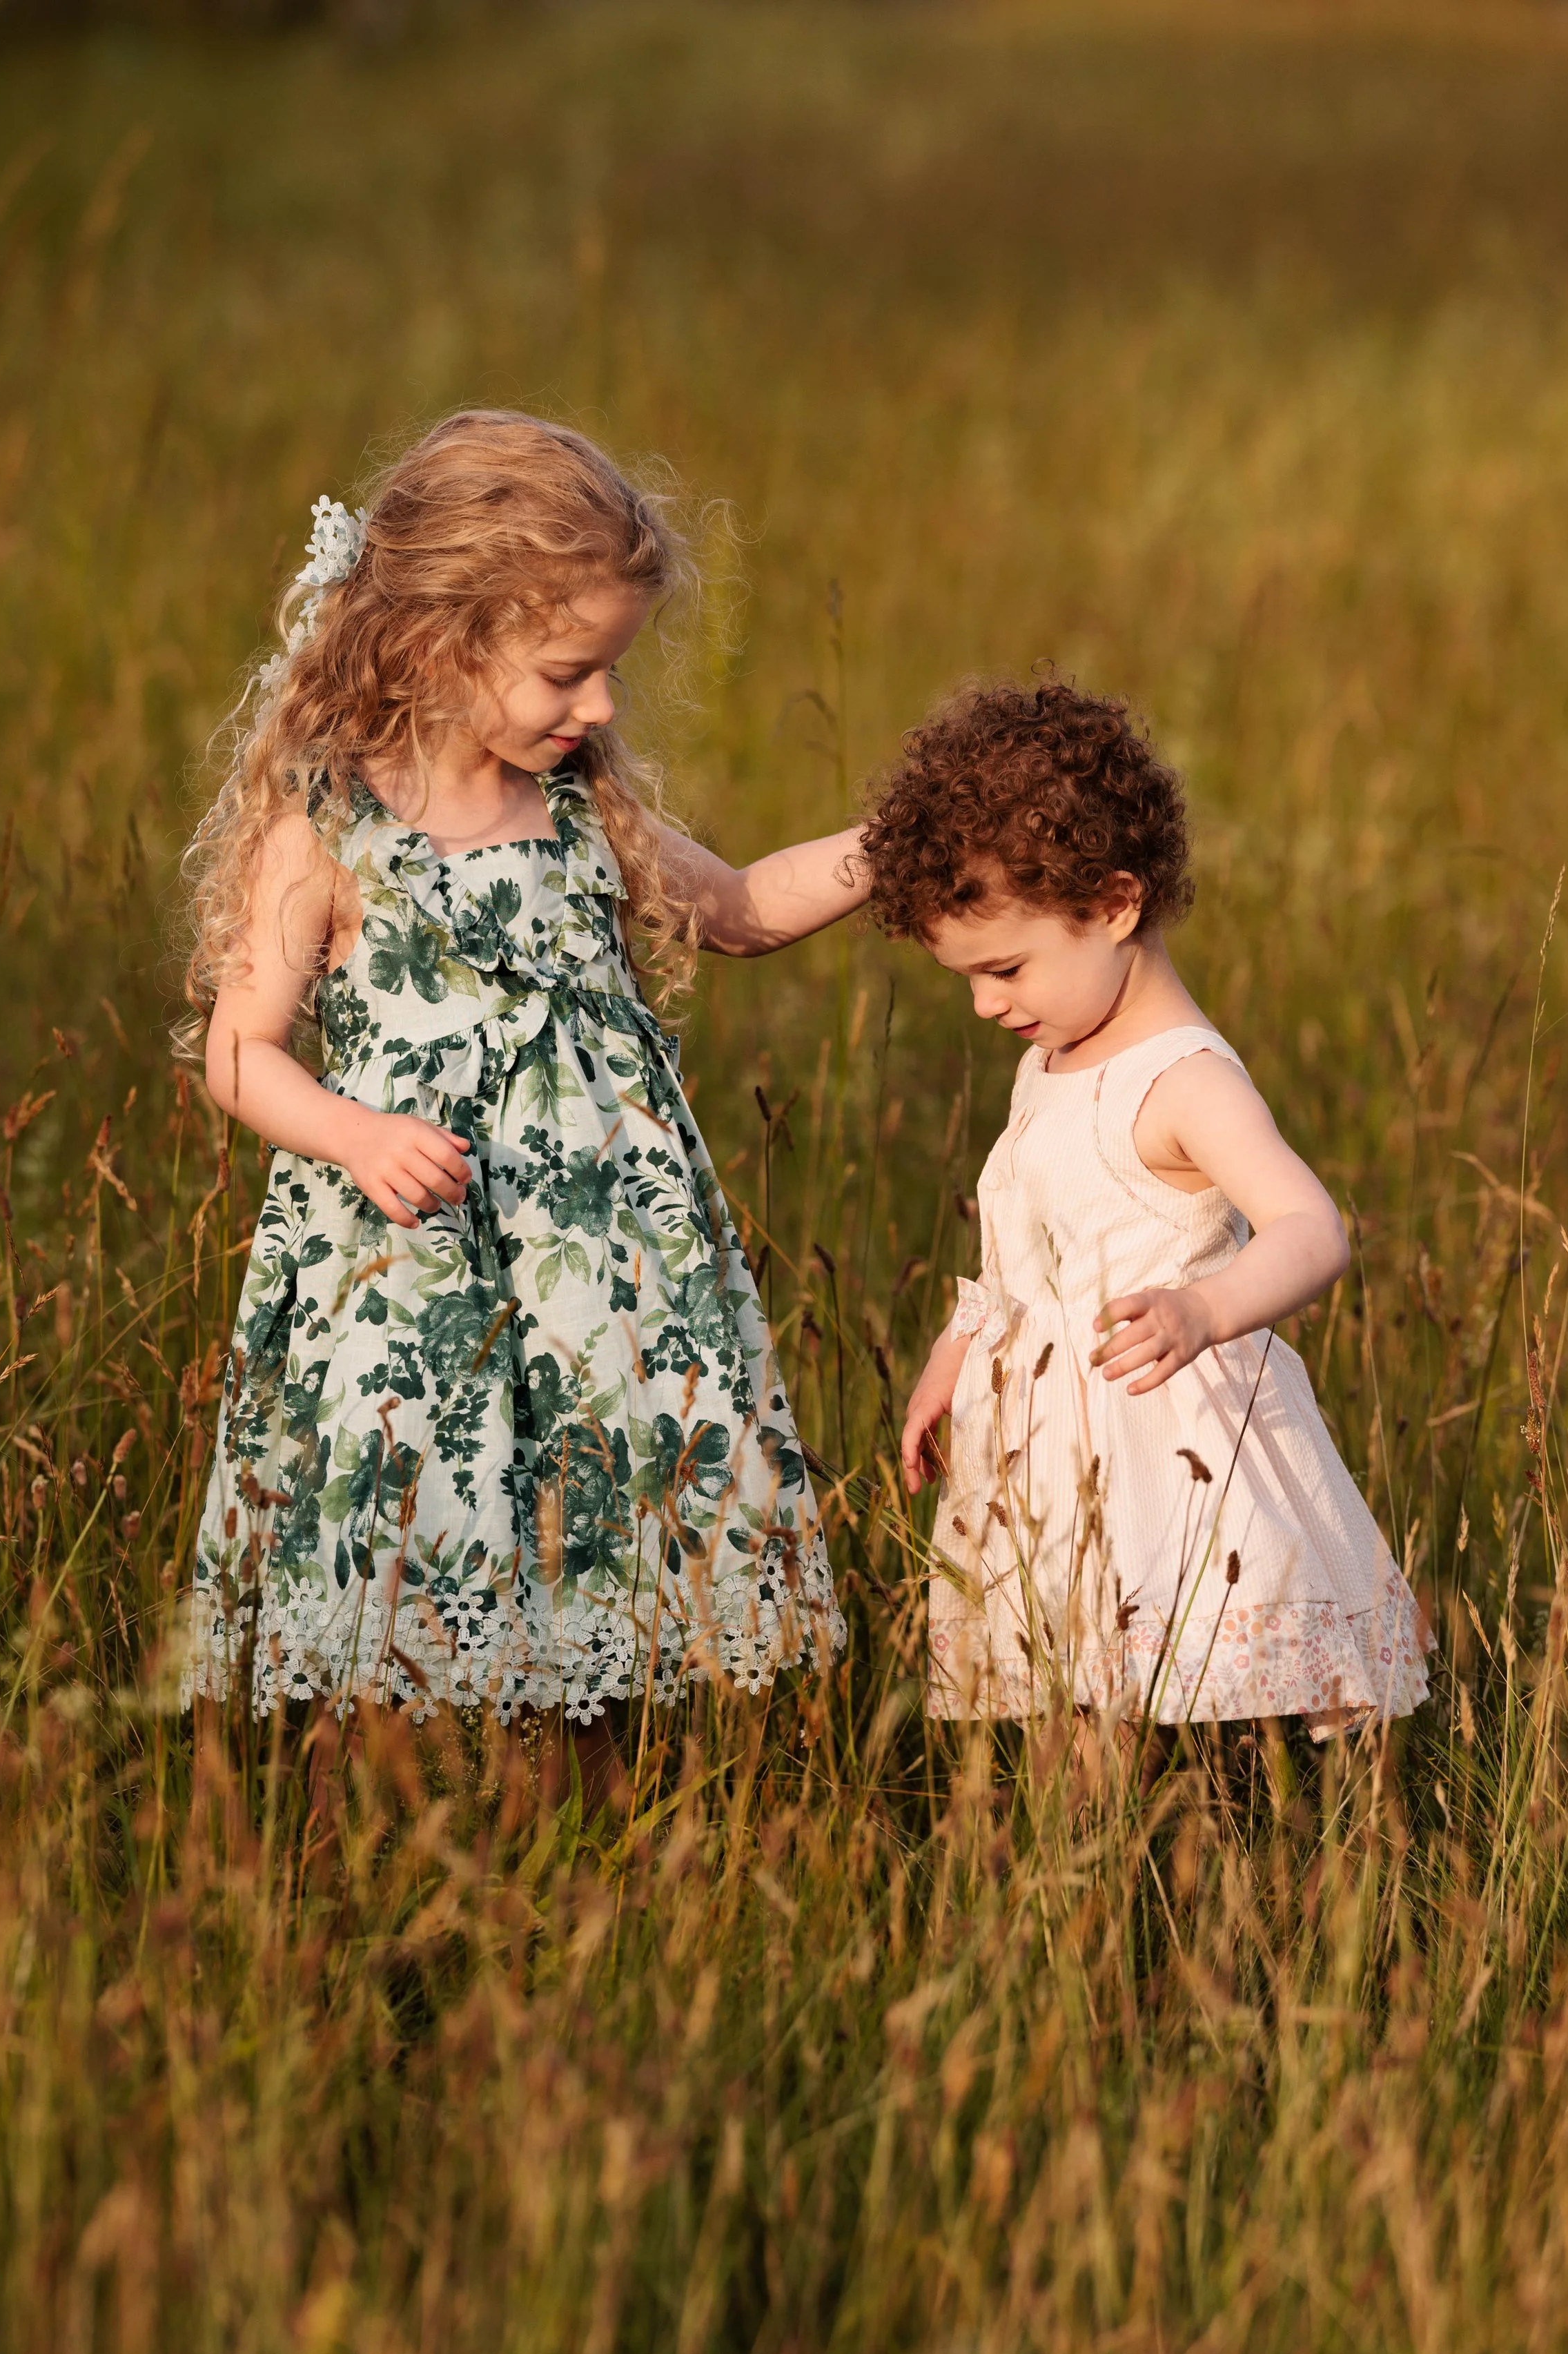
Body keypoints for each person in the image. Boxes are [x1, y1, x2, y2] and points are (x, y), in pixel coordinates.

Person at [180, 410, 859, 1796]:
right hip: (406, 1264)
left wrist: (900, 837)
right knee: (404, 1543)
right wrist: (355, 1133)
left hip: (594, 1269)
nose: (600, 707)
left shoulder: (580, 812)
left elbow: (735, 909)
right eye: (569, 672)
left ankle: (580, 1842)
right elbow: (238, 1050)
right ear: (443, 637)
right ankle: (357, 1842)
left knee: (577, 1534)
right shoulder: (329, 824)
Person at [870, 678, 1428, 1756]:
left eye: (1006, 967)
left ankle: (1189, 1869)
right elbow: (1027, 1243)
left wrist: (1203, 1311)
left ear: (1116, 905)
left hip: (1155, 1436)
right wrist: (958, 1349)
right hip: (1042, 1444)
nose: (986, 1003)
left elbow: (1312, 1230)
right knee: (1058, 1709)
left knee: (1145, 1702)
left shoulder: (1184, 1081)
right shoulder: (1053, 1057)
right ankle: (1083, 1887)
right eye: (968, 978)